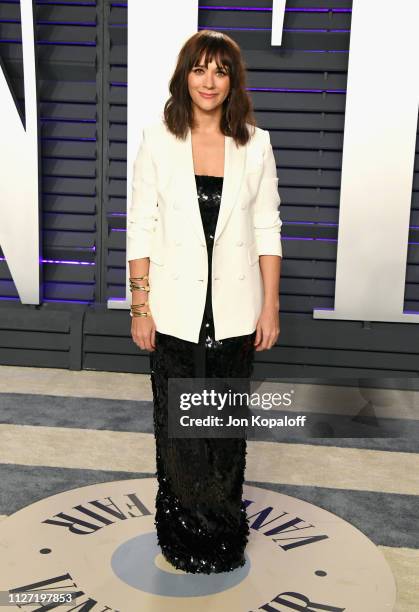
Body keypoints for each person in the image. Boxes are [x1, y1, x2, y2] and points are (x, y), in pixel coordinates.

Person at [127, 30, 282, 574]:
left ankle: (221, 531)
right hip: (173, 309)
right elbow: (141, 224)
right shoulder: (157, 139)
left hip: (237, 309)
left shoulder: (255, 143)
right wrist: (140, 307)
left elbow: (268, 227)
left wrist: (271, 306)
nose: (209, 81)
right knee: (180, 426)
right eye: (200, 69)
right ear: (184, 76)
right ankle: (182, 530)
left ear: (232, 80)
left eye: (220, 70)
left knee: (223, 429)